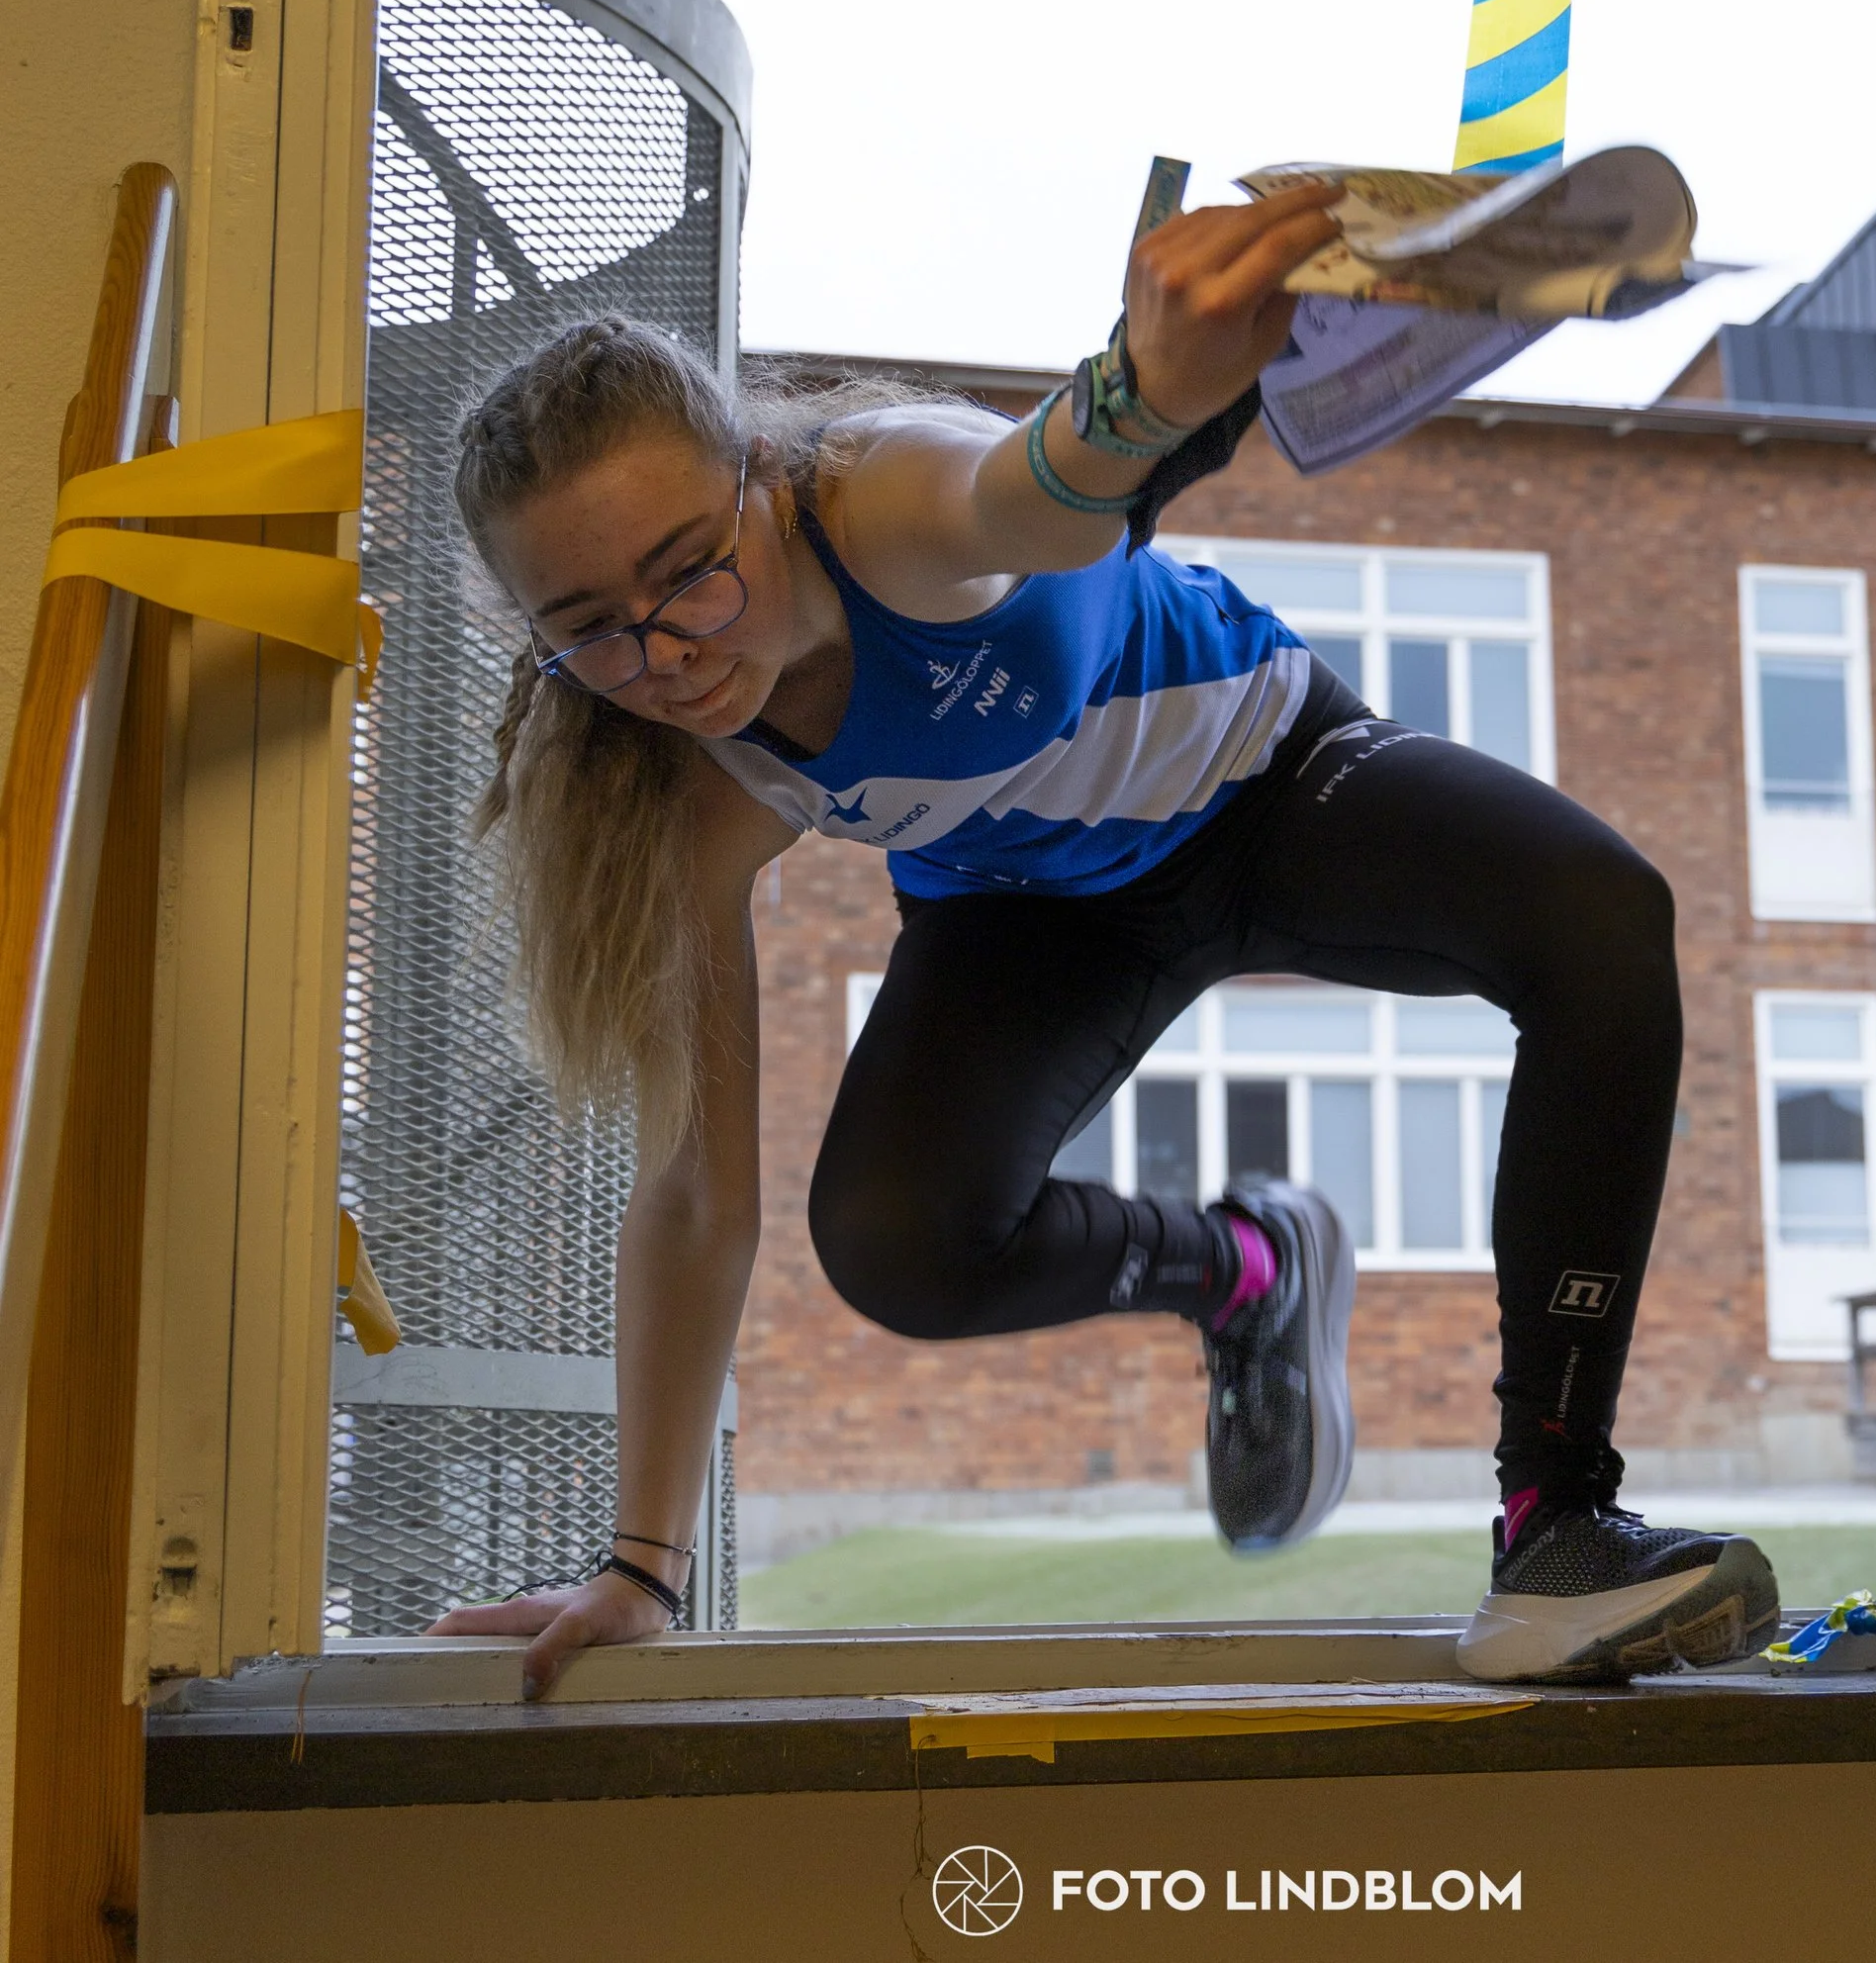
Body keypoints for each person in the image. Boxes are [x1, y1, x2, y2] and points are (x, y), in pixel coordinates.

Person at [426, 183, 1778, 1696]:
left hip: (1269, 780)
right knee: (894, 1245)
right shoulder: (685, 793)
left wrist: (1143, 398)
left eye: (689, 566)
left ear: (758, 474)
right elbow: (689, 1194)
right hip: (1025, 912)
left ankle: (1556, 1523)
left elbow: (1032, 493)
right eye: (592, 626)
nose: (667, 651)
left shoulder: (875, 502)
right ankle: (1249, 1269)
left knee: (1602, 919)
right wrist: (639, 1570)